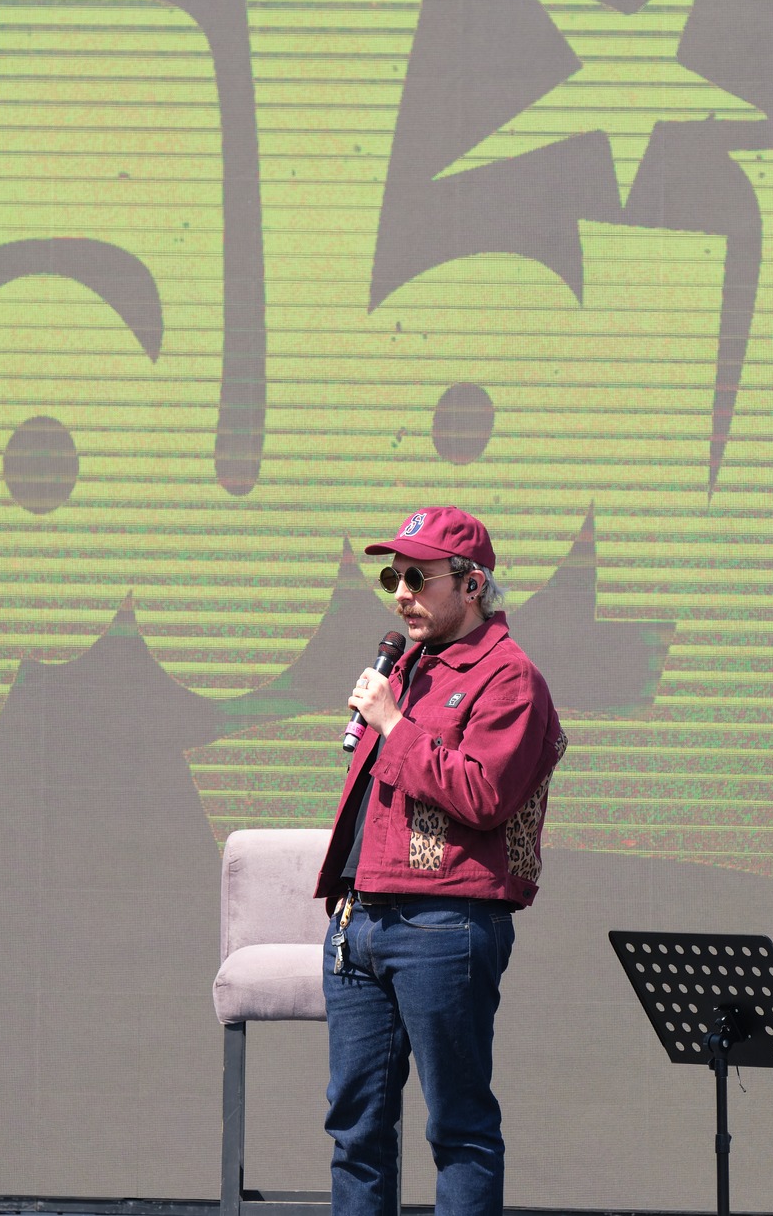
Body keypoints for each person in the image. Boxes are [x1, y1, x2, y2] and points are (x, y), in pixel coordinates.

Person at [315, 506, 567, 1216]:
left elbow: (484, 794)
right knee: (355, 1130)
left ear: (472, 583)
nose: (400, 593)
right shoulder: (406, 669)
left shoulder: (509, 678)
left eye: (417, 578)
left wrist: (393, 724)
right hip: (360, 920)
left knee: (458, 1127)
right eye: (393, 578)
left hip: (443, 924)